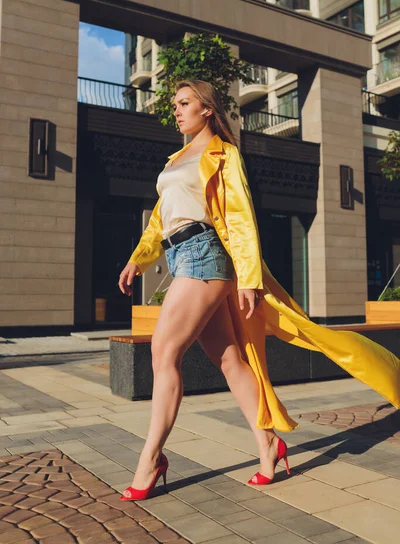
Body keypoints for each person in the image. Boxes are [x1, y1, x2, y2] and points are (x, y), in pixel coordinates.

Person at [118, 80, 400, 501]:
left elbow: (241, 217)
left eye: (183, 103)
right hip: (179, 258)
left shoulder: (223, 155)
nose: (176, 111)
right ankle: (268, 445)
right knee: (231, 362)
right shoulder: (177, 157)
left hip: (205, 257)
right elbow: (161, 219)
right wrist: (137, 259)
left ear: (207, 109)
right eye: (174, 104)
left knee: (163, 350)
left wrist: (249, 277)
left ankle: (151, 459)